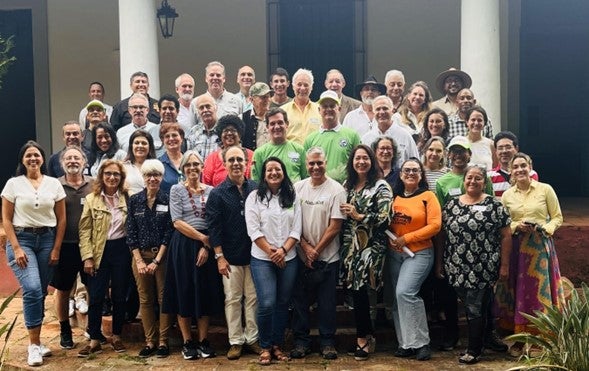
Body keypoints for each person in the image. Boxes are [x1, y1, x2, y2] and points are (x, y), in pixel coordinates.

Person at [437, 165, 511, 364]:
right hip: (455, 265)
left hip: (483, 266)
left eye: (478, 178)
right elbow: (442, 236)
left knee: (475, 307)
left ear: (484, 182)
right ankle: (487, 337)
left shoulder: (494, 204)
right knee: (481, 305)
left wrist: (504, 265)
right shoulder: (451, 205)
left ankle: (474, 349)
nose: (473, 181)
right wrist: (439, 263)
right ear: (464, 180)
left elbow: (505, 236)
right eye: (470, 177)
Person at [1, 141, 66, 366]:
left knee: (41, 293)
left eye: (36, 155)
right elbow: (6, 220)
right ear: (22, 159)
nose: (33, 159)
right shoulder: (13, 184)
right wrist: (16, 247)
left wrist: (57, 247)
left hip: (47, 239)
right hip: (22, 240)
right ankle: (33, 345)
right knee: (32, 289)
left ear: (42, 158)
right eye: (28, 155)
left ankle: (37, 341)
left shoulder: (54, 184)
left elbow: (62, 219)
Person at [496, 153, 565, 356]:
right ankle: (518, 339)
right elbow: (504, 223)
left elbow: (557, 217)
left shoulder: (545, 189)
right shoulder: (508, 195)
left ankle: (540, 339)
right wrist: (517, 225)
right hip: (517, 247)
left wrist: (546, 228)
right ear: (511, 171)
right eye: (515, 167)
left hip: (540, 247)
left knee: (539, 290)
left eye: (523, 166)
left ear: (530, 167)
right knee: (517, 291)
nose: (519, 170)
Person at [162, 150, 223, 360]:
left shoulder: (212, 191)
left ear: (202, 167)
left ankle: (204, 340)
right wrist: (202, 239)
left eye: (196, 164)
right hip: (183, 245)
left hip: (207, 245)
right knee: (184, 290)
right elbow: (177, 221)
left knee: (204, 291)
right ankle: (188, 341)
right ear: (183, 169)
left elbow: (214, 221)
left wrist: (207, 246)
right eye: (188, 165)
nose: (192, 168)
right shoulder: (176, 190)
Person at [290, 147, 346, 361]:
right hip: (301, 256)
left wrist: (316, 251)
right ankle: (301, 341)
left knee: (327, 303)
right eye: (311, 163)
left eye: (319, 163)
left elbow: (335, 226)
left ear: (325, 163)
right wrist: (305, 248)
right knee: (300, 302)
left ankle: (327, 342)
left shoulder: (336, 190)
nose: (315, 167)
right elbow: (292, 221)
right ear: (306, 165)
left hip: (328, 258)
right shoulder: (298, 188)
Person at [245, 157, 301, 365]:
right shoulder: (254, 197)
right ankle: (265, 345)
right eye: (269, 170)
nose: (274, 173)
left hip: (289, 257)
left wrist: (283, 250)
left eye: (277, 169)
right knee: (267, 303)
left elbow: (297, 228)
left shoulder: (292, 196)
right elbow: (253, 230)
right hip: (262, 259)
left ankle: (277, 345)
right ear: (264, 174)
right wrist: (272, 253)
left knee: (282, 303)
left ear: (283, 172)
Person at [207, 146, 261, 360]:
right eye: (232, 160)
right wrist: (219, 257)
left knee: (253, 298)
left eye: (240, 159)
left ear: (247, 162)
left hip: (255, 256)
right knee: (232, 299)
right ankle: (236, 341)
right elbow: (214, 228)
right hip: (229, 257)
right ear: (225, 163)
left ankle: (252, 339)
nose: (236, 163)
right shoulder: (217, 194)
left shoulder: (256, 189)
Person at [340, 144, 393, 361]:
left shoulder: (381, 187)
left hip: (371, 248)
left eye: (365, 158)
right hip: (350, 248)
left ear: (372, 161)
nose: (361, 162)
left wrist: (359, 215)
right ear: (352, 162)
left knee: (363, 291)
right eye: (357, 158)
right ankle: (367, 335)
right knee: (356, 292)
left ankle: (363, 339)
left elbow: (385, 218)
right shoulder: (348, 185)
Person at [389, 158, 441, 362]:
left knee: (405, 292)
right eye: (407, 170)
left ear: (421, 174)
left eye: (415, 170)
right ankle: (405, 343)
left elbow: (435, 226)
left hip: (419, 253)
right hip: (395, 254)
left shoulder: (428, 196)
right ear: (400, 174)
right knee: (396, 297)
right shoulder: (394, 197)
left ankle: (421, 343)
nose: (410, 173)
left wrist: (407, 238)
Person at [78, 160, 130, 357]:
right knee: (97, 295)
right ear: (101, 176)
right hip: (99, 250)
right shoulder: (92, 199)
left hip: (121, 250)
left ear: (121, 177)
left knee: (118, 295)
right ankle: (94, 339)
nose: (112, 177)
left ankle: (117, 336)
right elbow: (84, 231)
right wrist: (87, 257)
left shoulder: (127, 198)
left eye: (116, 174)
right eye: (108, 173)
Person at [126, 159, 173, 358]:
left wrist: (156, 260)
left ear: (162, 177)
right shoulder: (135, 200)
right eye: (148, 175)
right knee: (145, 299)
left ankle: (163, 341)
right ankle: (150, 341)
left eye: (156, 175)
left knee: (163, 299)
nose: (152, 179)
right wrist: (139, 260)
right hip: (140, 256)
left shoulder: (167, 199)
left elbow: (169, 231)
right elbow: (131, 231)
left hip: (161, 256)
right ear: (143, 178)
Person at [52, 146, 94, 350]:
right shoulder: (54, 185)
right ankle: (65, 330)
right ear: (62, 163)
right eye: (68, 158)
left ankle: (92, 328)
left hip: (90, 246)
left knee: (93, 289)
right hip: (65, 245)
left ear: (84, 162)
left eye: (76, 157)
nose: (72, 161)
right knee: (62, 290)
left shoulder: (94, 184)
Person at [303, 90, 360, 183]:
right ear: (319, 110)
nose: (328, 109)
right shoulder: (310, 139)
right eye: (325, 106)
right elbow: (306, 171)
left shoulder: (352, 136)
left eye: (332, 106)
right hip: (317, 190)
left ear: (339, 109)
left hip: (345, 189)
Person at [361, 95, 419, 169]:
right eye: (378, 109)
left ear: (392, 111)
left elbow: (415, 162)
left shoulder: (405, 136)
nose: (381, 112)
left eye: (385, 108)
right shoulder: (366, 138)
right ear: (373, 112)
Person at [251, 108, 306, 182]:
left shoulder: (299, 150)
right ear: (267, 127)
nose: (277, 127)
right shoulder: (259, 153)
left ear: (287, 124)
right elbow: (256, 182)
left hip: (296, 193)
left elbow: (306, 180)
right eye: (272, 124)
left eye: (280, 122)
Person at [202, 115, 254, 187]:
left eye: (233, 130)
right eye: (225, 131)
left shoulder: (251, 155)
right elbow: (206, 185)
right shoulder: (212, 158)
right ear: (220, 135)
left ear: (240, 134)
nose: (229, 133)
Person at [191, 61, 243, 126]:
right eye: (212, 75)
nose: (215, 78)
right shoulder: (195, 103)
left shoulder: (237, 101)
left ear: (224, 79)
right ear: (206, 79)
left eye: (218, 75)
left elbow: (241, 128)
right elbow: (192, 130)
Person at [488, 131, 538, 197]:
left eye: (508, 147)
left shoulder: (529, 173)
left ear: (516, 148)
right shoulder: (489, 176)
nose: (504, 151)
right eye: (500, 148)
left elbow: (531, 197)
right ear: (496, 151)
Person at [281, 68, 321, 145]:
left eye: (306, 85)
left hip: (314, 155)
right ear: (293, 86)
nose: (302, 88)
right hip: (290, 155)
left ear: (311, 87)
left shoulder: (320, 110)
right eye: (299, 84)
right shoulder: (283, 111)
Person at [185, 94, 220, 161]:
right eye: (201, 108)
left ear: (216, 107)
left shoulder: (224, 130)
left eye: (208, 106)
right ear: (198, 111)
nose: (205, 110)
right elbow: (189, 159)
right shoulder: (193, 132)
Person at [241, 82, 273, 150]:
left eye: (268, 96)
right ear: (251, 99)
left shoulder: (274, 117)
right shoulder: (242, 119)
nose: (267, 100)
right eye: (263, 97)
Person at [123, 130, 157, 195]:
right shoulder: (123, 167)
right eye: (137, 143)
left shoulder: (156, 167)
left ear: (150, 147)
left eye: (144, 143)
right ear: (131, 146)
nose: (140, 146)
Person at [465, 106, 496, 170]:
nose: (476, 123)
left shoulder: (491, 145)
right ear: (467, 122)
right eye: (473, 120)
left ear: (484, 123)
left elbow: (495, 169)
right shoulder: (461, 142)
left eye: (479, 120)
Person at [158, 122, 185, 194]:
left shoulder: (190, 161)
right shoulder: (158, 164)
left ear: (181, 138)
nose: (171, 139)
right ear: (162, 140)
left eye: (174, 135)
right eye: (167, 136)